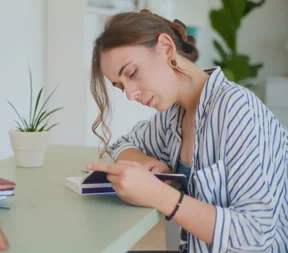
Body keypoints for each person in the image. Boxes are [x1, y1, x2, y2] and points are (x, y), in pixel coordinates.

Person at [85, 9, 288, 253]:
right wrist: (145, 163)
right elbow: (123, 144)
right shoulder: (172, 117)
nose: (130, 94)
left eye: (132, 73)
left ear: (167, 48)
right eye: (120, 87)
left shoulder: (235, 108)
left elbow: (255, 235)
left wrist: (157, 194)